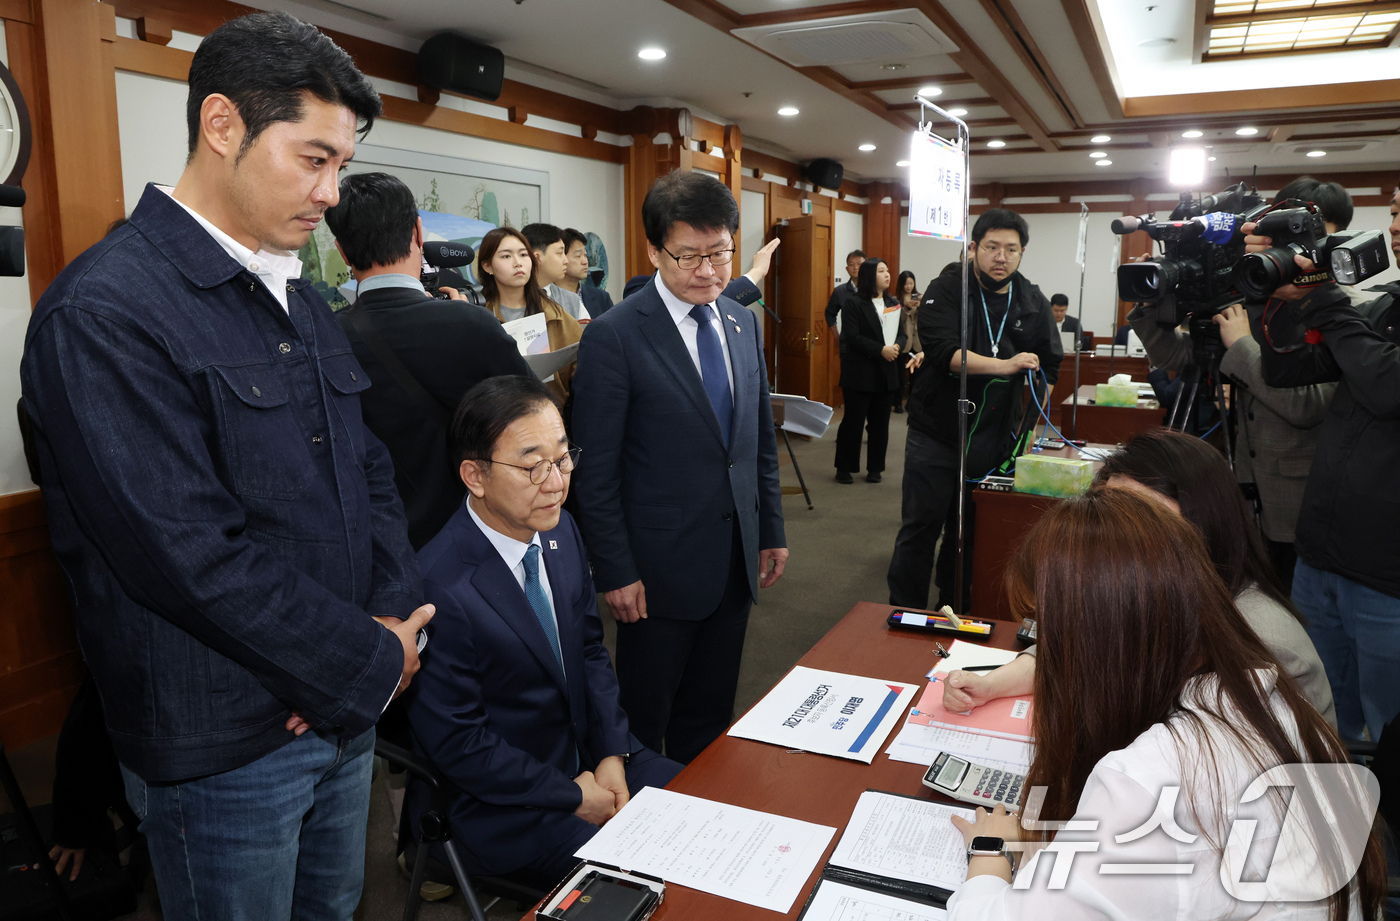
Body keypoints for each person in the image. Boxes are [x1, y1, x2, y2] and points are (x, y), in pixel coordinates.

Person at [19, 13, 433, 919]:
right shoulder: (106, 314)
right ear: (222, 126)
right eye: (313, 158)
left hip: (341, 700)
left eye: (342, 165)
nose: (332, 192)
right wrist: (357, 655)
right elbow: (186, 556)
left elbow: (370, 475)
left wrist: (387, 624)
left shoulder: (299, 293)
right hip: (225, 741)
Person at [943, 489, 1386, 920]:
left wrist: (990, 852)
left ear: (1102, 640)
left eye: (1054, 635)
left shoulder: (1148, 784)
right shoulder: (1254, 692)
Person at [404, 376, 683, 890]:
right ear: (475, 475)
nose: (555, 482)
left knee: (712, 808)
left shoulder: (559, 532)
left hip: (590, 757)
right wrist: (573, 796)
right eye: (533, 465)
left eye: (562, 458)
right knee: (654, 879)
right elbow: (463, 745)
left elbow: (590, 652)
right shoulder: (438, 587)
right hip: (507, 804)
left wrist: (611, 756)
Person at [572, 170, 788, 764]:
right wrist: (613, 569)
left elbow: (756, 443)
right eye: (689, 256)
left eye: (721, 253)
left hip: (734, 559)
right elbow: (595, 471)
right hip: (654, 573)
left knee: (711, 716)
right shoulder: (615, 337)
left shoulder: (740, 322)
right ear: (653, 250)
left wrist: (769, 528)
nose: (710, 271)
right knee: (645, 724)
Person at [943, 428, 1335, 726]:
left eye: (1145, 519)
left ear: (1204, 523)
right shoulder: (1139, 585)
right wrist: (993, 684)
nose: (1122, 534)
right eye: (1115, 513)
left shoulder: (1261, 642)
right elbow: (1079, 644)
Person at [1128, 177, 1347, 585]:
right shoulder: (1253, 297)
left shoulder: (1341, 311)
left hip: (1299, 504)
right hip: (1242, 488)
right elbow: (1179, 356)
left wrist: (1243, 346)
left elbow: (1309, 405)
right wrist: (1150, 306)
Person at [1240, 184, 1400, 743]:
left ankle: (1378, 831)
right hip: (1322, 556)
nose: (1397, 226)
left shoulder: (1357, 309)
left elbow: (1385, 386)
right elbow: (1287, 371)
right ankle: (1331, 824)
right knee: (1317, 716)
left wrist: (1326, 299)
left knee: (1384, 730)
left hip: (1387, 576)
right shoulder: (1385, 306)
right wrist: (1281, 292)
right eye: (1398, 212)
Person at [327, 171, 531, 550]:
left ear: (342, 251)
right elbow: (533, 419)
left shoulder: (328, 338)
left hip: (382, 543)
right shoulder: (472, 323)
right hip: (479, 534)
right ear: (419, 233)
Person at [888, 208, 1061, 612]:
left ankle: (955, 607)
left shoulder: (1031, 299)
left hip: (993, 438)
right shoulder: (948, 288)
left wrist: (1031, 420)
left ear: (1022, 253)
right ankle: (904, 610)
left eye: (1011, 250)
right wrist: (1007, 365)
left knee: (968, 532)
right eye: (992, 247)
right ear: (974, 248)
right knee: (920, 528)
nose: (1001, 257)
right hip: (937, 432)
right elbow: (945, 353)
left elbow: (1050, 362)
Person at [833, 257, 916, 484]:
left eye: (888, 270)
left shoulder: (893, 302)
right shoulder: (854, 303)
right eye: (882, 271)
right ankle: (844, 467)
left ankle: (875, 468)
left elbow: (902, 332)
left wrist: (897, 346)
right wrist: (881, 350)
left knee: (880, 424)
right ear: (871, 276)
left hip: (886, 372)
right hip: (860, 372)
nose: (888, 274)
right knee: (853, 422)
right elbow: (852, 336)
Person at [478, 226, 583, 404]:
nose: (517, 263)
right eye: (506, 256)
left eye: (523, 255)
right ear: (488, 266)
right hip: (498, 416)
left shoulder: (554, 313)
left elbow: (582, 363)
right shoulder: (480, 316)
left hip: (550, 412)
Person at [523, 222, 589, 321]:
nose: (566, 261)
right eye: (559, 253)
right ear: (537, 258)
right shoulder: (512, 298)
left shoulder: (572, 301)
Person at [560, 227, 613, 318]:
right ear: (561, 258)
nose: (585, 261)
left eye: (585, 255)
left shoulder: (601, 298)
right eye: (578, 256)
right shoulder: (547, 298)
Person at [893, 270, 921, 413]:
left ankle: (912, 402)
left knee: (916, 375)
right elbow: (896, 320)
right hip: (902, 341)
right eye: (906, 284)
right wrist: (906, 308)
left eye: (911, 283)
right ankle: (897, 403)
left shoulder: (919, 297)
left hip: (916, 341)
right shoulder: (895, 299)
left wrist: (922, 306)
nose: (909, 286)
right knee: (899, 375)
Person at [825, 249, 866, 332]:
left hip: (871, 342)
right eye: (852, 264)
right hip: (848, 342)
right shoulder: (840, 291)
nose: (855, 268)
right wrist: (836, 335)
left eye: (859, 264)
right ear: (847, 268)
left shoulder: (874, 290)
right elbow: (830, 314)